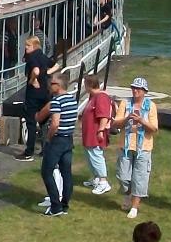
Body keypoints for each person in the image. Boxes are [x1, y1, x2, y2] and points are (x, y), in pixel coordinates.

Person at [37, 73, 78, 217]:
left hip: (57, 140)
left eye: (52, 83)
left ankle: (55, 206)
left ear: (59, 86)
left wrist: (49, 138)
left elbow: (55, 123)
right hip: (68, 140)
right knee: (66, 173)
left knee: (46, 172)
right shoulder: (72, 100)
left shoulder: (56, 101)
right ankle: (64, 205)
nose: (49, 86)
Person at [116, 78, 157, 219]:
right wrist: (127, 118)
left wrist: (141, 121)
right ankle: (128, 194)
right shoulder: (125, 103)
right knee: (123, 177)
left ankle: (134, 207)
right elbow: (116, 124)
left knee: (139, 178)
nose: (135, 91)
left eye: (138, 89)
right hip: (126, 146)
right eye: (133, 88)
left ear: (145, 91)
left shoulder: (151, 106)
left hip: (143, 147)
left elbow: (154, 128)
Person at [78, 74, 114, 197]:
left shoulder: (101, 97)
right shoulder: (92, 97)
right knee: (90, 156)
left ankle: (103, 182)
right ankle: (97, 178)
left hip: (95, 133)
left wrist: (100, 131)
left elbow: (104, 116)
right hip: (89, 133)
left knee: (96, 155)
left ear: (89, 85)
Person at [20, 35, 50, 159]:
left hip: (33, 94)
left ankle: (29, 152)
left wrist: (33, 80)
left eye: (28, 45)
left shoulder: (31, 57)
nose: (26, 47)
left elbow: (36, 71)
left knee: (31, 123)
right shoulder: (43, 56)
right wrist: (46, 73)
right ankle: (45, 150)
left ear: (34, 46)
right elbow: (56, 65)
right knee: (43, 122)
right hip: (45, 93)